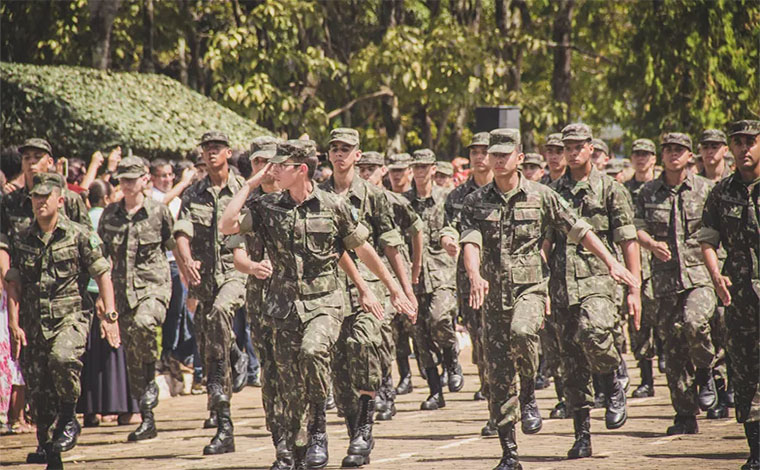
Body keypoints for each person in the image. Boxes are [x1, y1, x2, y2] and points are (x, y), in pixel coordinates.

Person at [220, 139, 415, 470]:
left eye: (281, 166)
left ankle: (320, 430)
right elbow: (227, 225)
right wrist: (250, 184)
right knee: (289, 385)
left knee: (313, 351)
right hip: (283, 309)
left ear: (301, 170)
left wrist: (392, 289)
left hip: (326, 301)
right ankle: (298, 447)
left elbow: (360, 249)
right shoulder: (268, 206)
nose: (274, 170)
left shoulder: (331, 205)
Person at [460, 128, 639, 470]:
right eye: (493, 154)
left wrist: (612, 262)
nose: (498, 160)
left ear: (520, 158)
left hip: (530, 288)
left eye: (505, 154)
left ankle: (529, 389)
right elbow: (471, 240)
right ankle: (510, 453)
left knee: (524, 333)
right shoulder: (475, 201)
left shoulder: (542, 196)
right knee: (497, 378)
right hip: (493, 297)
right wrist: (474, 273)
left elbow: (580, 229)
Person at [5, 172, 120, 469]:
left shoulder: (80, 234)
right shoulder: (23, 238)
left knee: (63, 358)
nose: (40, 202)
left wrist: (110, 314)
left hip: (70, 317)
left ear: (60, 200)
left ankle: (69, 415)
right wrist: (14, 324)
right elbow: (14, 282)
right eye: (36, 197)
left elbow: (102, 273)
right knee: (39, 389)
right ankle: (50, 450)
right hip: (33, 322)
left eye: (46, 197)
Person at [320, 128, 417, 467]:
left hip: (371, 289)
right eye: (334, 148)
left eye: (346, 149)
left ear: (358, 155)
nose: (340, 154)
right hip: (330, 291)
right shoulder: (318, 195)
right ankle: (356, 433)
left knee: (364, 345)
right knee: (340, 373)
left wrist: (405, 290)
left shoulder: (374, 196)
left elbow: (392, 244)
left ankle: (364, 426)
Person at [547, 123, 641, 459]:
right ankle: (582, 434)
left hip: (600, 280)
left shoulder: (610, 189)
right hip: (561, 285)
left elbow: (627, 240)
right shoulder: (550, 189)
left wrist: (635, 287)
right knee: (570, 365)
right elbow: (545, 240)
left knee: (594, 332)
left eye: (578, 146)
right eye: (566, 146)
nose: (572, 152)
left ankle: (613, 379)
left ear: (591, 148)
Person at [634, 132, 719, 435]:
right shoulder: (647, 192)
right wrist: (651, 244)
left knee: (695, 324)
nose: (673, 155)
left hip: (700, 276)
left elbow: (720, 228)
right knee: (672, 349)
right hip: (666, 280)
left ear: (689, 156)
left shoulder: (707, 189)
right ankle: (685, 414)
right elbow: (637, 227)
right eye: (668, 150)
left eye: (679, 150)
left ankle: (708, 370)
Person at [173, 131, 247, 455]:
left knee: (219, 314)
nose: (211, 152)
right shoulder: (193, 194)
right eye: (206, 148)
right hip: (204, 281)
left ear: (228, 153)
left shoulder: (244, 190)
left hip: (235, 272)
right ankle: (224, 423)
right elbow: (181, 230)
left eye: (216, 148)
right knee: (210, 350)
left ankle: (224, 416)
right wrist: (186, 258)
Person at [97, 157, 177, 442]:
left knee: (145, 324)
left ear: (145, 179)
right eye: (123, 180)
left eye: (133, 179)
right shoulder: (109, 215)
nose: (128, 185)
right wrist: (102, 299)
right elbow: (101, 259)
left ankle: (153, 372)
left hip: (154, 286)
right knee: (132, 356)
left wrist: (189, 275)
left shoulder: (159, 212)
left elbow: (173, 245)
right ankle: (147, 416)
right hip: (122, 292)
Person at [699, 120, 760, 470]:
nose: (743, 149)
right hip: (739, 298)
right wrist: (714, 272)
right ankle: (755, 451)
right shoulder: (722, 192)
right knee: (745, 373)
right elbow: (708, 238)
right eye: (737, 142)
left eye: (750, 141)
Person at [357, 150, 424, 421]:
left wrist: (415, 270)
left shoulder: (393, 200)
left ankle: (385, 390)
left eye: (371, 168)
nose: (365, 173)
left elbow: (416, 229)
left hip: (387, 275)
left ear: (382, 170)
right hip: (358, 275)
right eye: (362, 168)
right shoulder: (345, 199)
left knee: (384, 331)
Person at [443, 131, 498, 431]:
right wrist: (449, 240)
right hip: (470, 282)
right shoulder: (458, 196)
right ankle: (494, 405)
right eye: (474, 151)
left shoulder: (505, 190)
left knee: (508, 342)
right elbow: (447, 227)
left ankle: (522, 394)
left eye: (484, 151)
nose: (479, 156)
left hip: (506, 279)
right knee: (482, 342)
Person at [77, 179, 139, 428]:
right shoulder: (110, 217)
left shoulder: (82, 223)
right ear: (105, 199)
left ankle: (91, 410)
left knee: (91, 353)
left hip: (89, 293)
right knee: (115, 350)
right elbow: (108, 261)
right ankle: (123, 410)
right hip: (110, 291)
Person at [404, 148, 462, 409]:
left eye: (424, 167)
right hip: (412, 277)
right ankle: (435, 391)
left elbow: (456, 227)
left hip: (441, 273)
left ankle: (451, 358)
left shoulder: (446, 199)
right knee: (420, 336)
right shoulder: (403, 202)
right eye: (416, 167)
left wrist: (452, 243)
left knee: (440, 318)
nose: (419, 172)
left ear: (433, 170)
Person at [624, 138, 660, 399]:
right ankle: (646, 378)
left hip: (663, 264)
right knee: (638, 323)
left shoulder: (661, 188)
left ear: (654, 159)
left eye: (646, 154)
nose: (641, 158)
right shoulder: (623, 190)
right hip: (635, 265)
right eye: (637, 154)